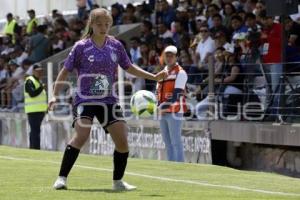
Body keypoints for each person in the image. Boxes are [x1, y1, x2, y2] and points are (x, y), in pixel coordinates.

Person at [49, 8, 167, 191]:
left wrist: (154, 77)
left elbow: (129, 67)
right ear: (91, 24)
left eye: (107, 24)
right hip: (85, 99)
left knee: (122, 141)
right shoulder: (81, 46)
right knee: (81, 136)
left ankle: (118, 182)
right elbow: (65, 71)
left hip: (109, 100)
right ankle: (62, 178)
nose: (103, 27)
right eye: (99, 24)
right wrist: (55, 95)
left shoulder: (116, 45)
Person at [157, 45, 187, 162]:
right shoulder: (162, 72)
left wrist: (161, 107)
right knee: (167, 142)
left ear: (176, 57)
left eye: (171, 56)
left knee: (175, 141)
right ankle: (171, 165)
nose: (169, 58)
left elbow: (177, 95)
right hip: (163, 111)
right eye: (167, 55)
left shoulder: (181, 73)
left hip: (175, 111)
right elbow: (158, 92)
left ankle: (179, 166)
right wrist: (158, 105)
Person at [24, 64, 47, 149]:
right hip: (33, 111)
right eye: (38, 71)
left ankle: (33, 147)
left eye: (41, 71)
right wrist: (41, 87)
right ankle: (36, 148)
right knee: (35, 131)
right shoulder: (30, 81)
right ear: (33, 71)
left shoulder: (38, 81)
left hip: (39, 111)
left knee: (35, 131)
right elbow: (32, 94)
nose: (40, 73)